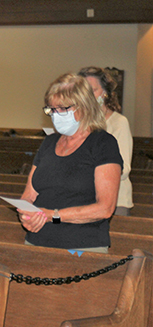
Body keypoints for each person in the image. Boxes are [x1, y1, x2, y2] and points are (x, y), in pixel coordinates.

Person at [17, 73, 122, 252]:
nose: (55, 115)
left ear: (84, 106)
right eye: (51, 109)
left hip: (82, 245)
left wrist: (53, 216)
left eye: (62, 109)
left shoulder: (103, 143)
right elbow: (29, 194)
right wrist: (26, 214)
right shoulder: (49, 142)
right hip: (37, 241)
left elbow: (105, 208)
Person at [80, 66, 133, 216]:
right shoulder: (79, 123)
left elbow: (124, 169)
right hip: (85, 199)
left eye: (93, 90)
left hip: (115, 202)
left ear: (105, 93)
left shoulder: (119, 122)